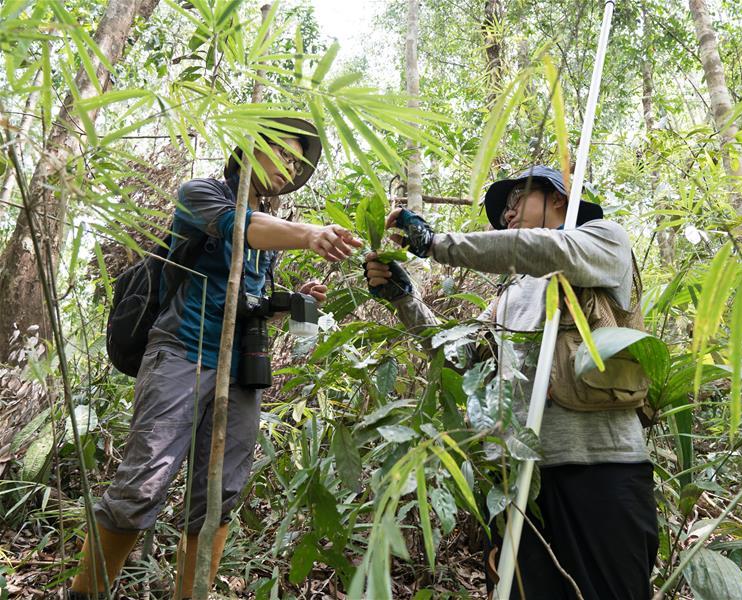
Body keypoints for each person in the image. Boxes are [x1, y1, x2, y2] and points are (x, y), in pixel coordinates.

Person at [69, 118, 363, 598]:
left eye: (295, 162)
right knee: (144, 480)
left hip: (238, 371)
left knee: (219, 496)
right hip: (182, 352)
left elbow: (246, 300)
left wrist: (287, 299)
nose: (288, 167)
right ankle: (84, 592)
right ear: (251, 148)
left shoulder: (268, 235)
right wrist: (310, 233)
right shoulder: (201, 193)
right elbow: (239, 227)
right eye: (282, 153)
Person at [364, 166, 658, 599]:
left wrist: (436, 243)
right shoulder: (510, 295)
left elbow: (549, 250)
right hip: (520, 481)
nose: (508, 214)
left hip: (603, 471)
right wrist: (404, 298)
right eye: (504, 210)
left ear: (559, 198)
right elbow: (460, 357)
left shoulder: (603, 241)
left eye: (517, 199)